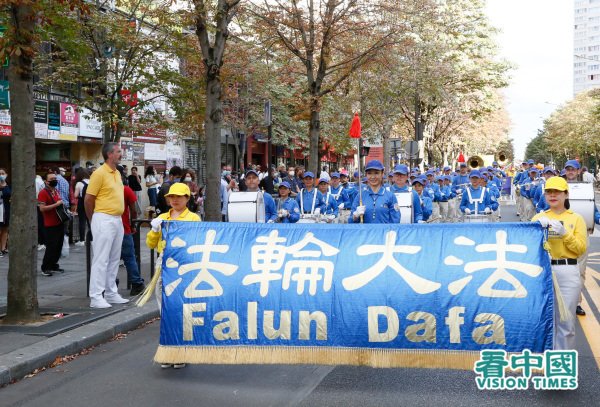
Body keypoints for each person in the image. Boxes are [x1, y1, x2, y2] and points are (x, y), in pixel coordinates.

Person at [146, 182, 200, 369]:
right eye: (172, 197)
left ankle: (180, 351)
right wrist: (154, 231)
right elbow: (151, 244)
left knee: (180, 310)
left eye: (179, 196)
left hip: (184, 268)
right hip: (164, 267)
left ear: (187, 199)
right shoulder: (162, 218)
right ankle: (168, 351)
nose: (175, 200)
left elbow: (197, 244)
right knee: (165, 311)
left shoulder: (193, 219)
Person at [532, 177, 587, 350]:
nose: (553, 195)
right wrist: (536, 232)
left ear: (566, 194)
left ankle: (562, 369)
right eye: (549, 191)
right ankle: (548, 364)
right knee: (546, 321)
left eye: (557, 191)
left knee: (566, 323)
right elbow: (529, 248)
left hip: (568, 271)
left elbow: (580, 249)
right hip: (543, 273)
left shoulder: (576, 219)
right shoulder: (538, 218)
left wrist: (564, 233)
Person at [85, 142, 128, 309]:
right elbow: (89, 199)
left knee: (114, 259)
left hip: (116, 219)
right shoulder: (99, 173)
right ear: (110, 154)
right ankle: (96, 296)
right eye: (118, 152)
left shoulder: (117, 172)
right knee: (101, 259)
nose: (121, 154)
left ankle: (110, 292)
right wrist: (93, 219)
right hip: (103, 218)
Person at [117, 166, 145, 296]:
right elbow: (134, 210)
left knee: (107, 258)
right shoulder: (126, 190)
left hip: (107, 229)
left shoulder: (104, 190)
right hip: (123, 228)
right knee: (129, 257)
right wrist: (133, 224)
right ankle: (136, 283)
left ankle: (110, 283)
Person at [37, 171, 65, 276]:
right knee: (51, 246)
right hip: (50, 224)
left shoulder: (56, 191)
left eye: (55, 179)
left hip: (59, 222)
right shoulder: (43, 193)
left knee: (58, 246)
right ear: (46, 181)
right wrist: (56, 204)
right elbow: (42, 208)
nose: (54, 181)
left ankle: (53, 265)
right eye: (51, 180)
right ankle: (45, 267)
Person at [73, 168, 90, 246]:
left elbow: (75, 195)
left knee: (82, 221)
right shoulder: (92, 182)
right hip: (91, 203)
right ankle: (92, 239)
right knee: (90, 221)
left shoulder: (79, 183)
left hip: (81, 203)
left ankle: (82, 240)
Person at [0, 168, 10, 257]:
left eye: (3, 173)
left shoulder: (8, 185)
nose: (1, 175)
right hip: (0, 209)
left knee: (5, 229)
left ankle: (3, 248)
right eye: (0, 174)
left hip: (7, 209)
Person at [35, 174, 46, 251]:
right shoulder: (41, 181)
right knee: (42, 223)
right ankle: (43, 242)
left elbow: (36, 194)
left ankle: (41, 242)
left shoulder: (36, 181)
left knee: (40, 224)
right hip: (42, 204)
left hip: (38, 204)